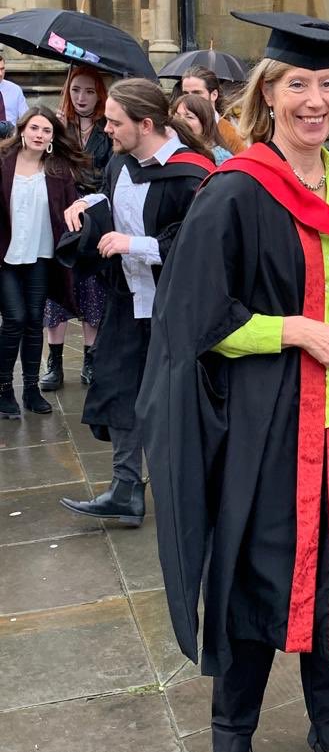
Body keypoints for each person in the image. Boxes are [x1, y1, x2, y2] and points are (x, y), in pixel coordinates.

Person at [137, 13, 329, 752]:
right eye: (296, 85)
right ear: (268, 95)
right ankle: (229, 747)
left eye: (325, 84)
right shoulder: (237, 192)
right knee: (253, 583)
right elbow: (196, 319)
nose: (314, 100)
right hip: (267, 425)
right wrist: (302, 330)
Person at [58, 79, 215, 527]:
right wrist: (86, 203)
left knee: (175, 404)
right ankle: (126, 490)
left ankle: (191, 492)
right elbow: (115, 197)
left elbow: (198, 243)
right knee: (120, 390)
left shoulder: (192, 174)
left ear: (146, 124)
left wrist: (135, 244)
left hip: (174, 308)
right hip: (127, 301)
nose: (105, 129)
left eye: (114, 121)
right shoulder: (122, 164)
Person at [0, 106, 89, 418]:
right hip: (6, 258)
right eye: (35, 128)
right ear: (23, 130)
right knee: (14, 319)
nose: (39, 135)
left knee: (34, 320)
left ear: (53, 137)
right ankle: (4, 389)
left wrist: (80, 203)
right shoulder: (3, 162)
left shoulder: (58, 169)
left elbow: (71, 204)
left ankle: (32, 389)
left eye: (46, 130)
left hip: (41, 256)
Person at [41, 66, 113, 391]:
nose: (81, 98)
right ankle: (53, 361)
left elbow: (110, 173)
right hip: (61, 214)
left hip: (93, 215)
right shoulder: (60, 127)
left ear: (99, 94)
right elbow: (46, 164)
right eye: (75, 91)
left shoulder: (107, 129)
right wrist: (51, 135)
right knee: (58, 285)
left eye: (88, 91)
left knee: (92, 285)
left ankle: (91, 358)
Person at [180, 66, 246, 155]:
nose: (190, 98)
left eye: (197, 93)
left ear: (214, 95)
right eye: (185, 94)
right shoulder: (175, 129)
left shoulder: (231, 134)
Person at [171, 93, 233, 165]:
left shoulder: (220, 158)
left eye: (189, 117)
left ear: (205, 123)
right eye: (177, 116)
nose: (180, 121)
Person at [0, 55, 29, 126]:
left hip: (11, 135)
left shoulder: (15, 90)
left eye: (2, 69)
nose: (0, 74)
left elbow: (26, 118)